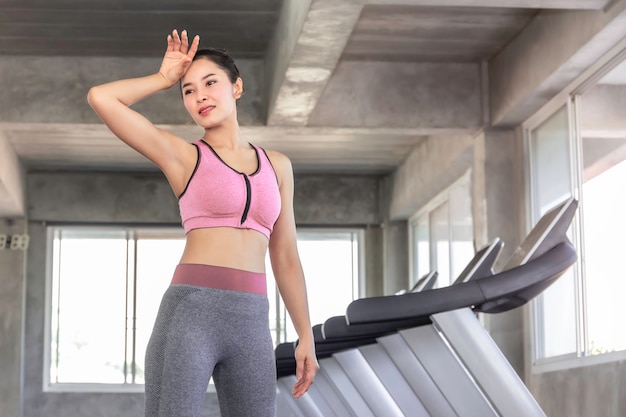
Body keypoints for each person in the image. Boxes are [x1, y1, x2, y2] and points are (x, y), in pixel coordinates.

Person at [88, 29, 319, 417]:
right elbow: (101, 98)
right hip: (190, 315)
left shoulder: (278, 165)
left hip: (252, 321)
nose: (200, 97)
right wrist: (163, 79)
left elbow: (286, 257)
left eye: (210, 83)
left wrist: (305, 335)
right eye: (189, 91)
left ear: (237, 87)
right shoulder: (183, 157)